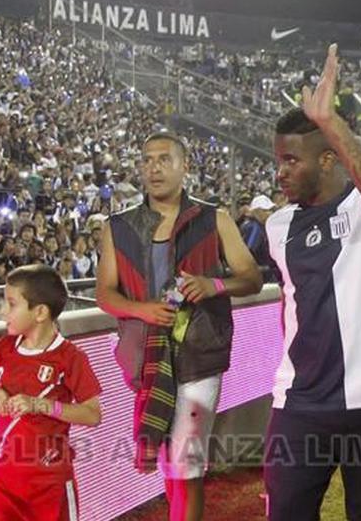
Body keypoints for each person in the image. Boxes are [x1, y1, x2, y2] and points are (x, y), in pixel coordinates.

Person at [262, 45, 361, 521]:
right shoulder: (277, 226)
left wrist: (330, 122)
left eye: (291, 161)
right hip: (300, 403)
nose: (280, 172)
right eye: (278, 161)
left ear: (328, 160)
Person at [96, 131, 262, 521]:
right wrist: (142, 310)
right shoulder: (117, 226)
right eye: (147, 159)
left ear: (185, 166)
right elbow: (105, 294)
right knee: (173, 463)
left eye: (164, 159)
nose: (154, 168)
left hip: (198, 355)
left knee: (185, 465)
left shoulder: (213, 218)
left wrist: (213, 284)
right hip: (147, 359)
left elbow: (252, 277)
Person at [0, 264, 102, 521]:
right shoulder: (4, 347)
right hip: (6, 478)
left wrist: (41, 405)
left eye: (11, 304)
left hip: (49, 482)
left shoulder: (70, 358)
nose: (2, 312)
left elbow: (93, 415)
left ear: (40, 312)